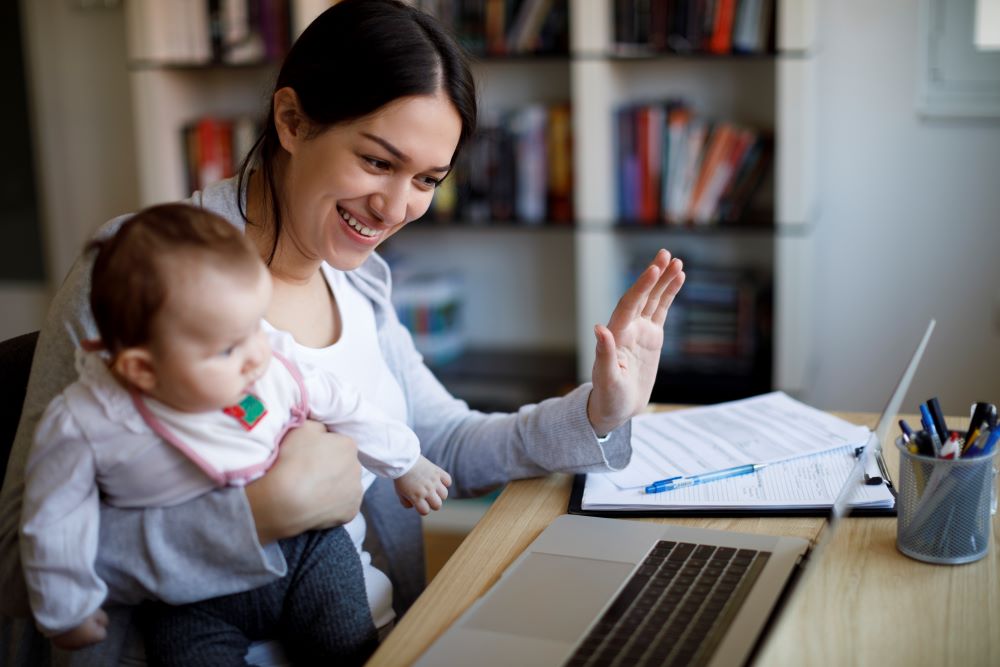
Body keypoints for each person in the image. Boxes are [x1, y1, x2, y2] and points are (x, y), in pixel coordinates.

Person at [0, 0, 686, 664]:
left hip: (374, 635)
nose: (396, 206)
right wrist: (260, 514)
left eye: (427, 179)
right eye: (378, 162)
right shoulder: (139, 271)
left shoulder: (359, 278)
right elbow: (15, 562)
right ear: (293, 120)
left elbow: (439, 441)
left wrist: (598, 412)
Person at [19, 203, 451, 664]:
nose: (255, 356)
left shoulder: (266, 361)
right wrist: (67, 608)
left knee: (347, 644)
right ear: (141, 369)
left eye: (256, 328)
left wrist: (406, 462)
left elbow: (346, 404)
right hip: (188, 593)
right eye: (227, 348)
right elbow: (54, 517)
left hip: (305, 551)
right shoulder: (87, 420)